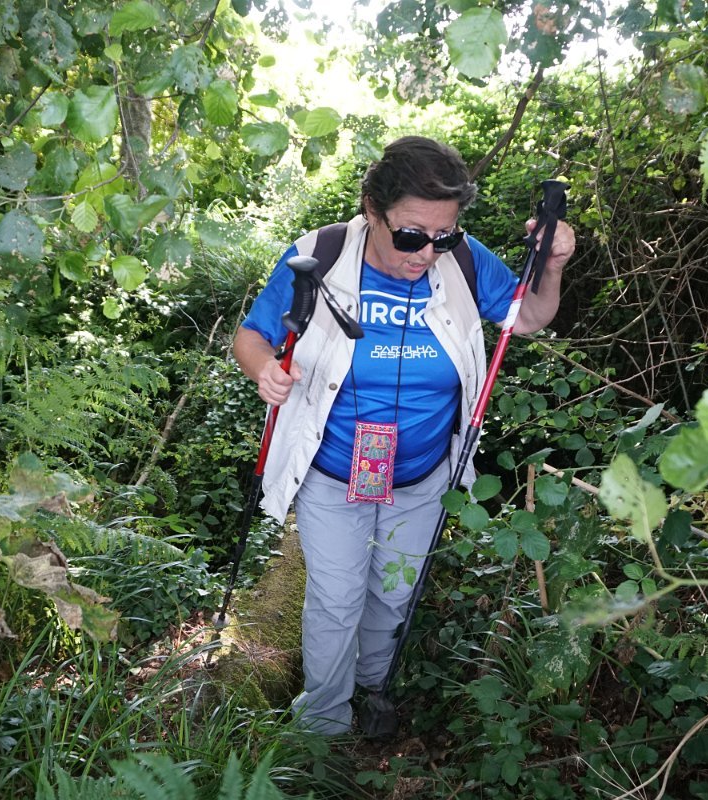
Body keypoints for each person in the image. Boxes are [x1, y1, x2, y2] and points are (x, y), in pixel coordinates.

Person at [233, 136, 575, 735]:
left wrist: (552, 265)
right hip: (333, 470)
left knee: (394, 592)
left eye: (443, 235)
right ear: (372, 209)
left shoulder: (462, 261)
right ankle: (323, 724)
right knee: (336, 598)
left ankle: (374, 685)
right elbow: (251, 336)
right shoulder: (320, 254)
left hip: (422, 474)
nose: (427, 252)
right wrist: (264, 369)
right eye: (412, 235)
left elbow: (526, 317)